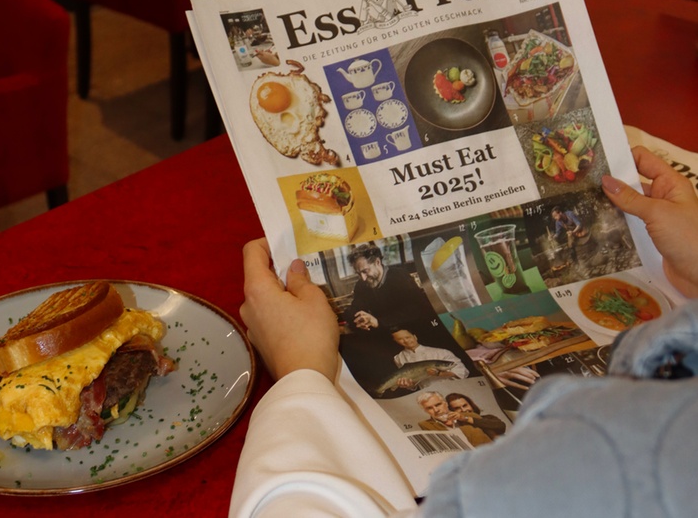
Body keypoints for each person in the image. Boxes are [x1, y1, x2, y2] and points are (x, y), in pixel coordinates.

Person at [231, 147, 698, 517]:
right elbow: (362, 316)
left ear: (375, 262)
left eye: (367, 264)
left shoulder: (615, 453)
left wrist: (299, 372)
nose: (366, 272)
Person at [345, 244, 421, 332]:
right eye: (358, 273)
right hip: (383, 333)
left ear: (377, 262)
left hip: (411, 330)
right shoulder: (361, 285)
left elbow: (415, 310)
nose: (363, 278)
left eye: (365, 271)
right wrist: (359, 319)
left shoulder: (400, 276)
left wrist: (379, 322)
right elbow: (356, 309)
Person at [390, 326, 468, 388]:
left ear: (415, 337)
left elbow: (462, 371)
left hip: (453, 388)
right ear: (396, 341)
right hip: (428, 394)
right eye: (400, 339)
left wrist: (439, 374)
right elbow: (413, 385)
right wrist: (408, 385)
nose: (406, 341)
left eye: (407, 337)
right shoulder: (398, 358)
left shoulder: (441, 352)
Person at [417, 391, 492, 447]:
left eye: (438, 404)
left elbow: (496, 431)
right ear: (425, 411)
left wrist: (463, 418)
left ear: (445, 403)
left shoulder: (470, 415)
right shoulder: (425, 425)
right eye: (429, 408)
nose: (436, 410)